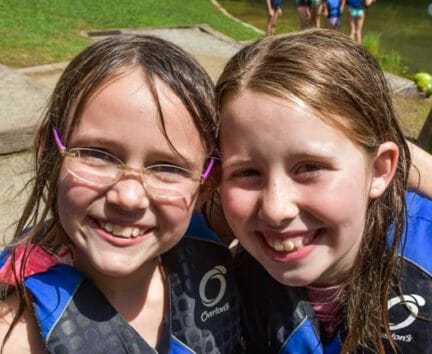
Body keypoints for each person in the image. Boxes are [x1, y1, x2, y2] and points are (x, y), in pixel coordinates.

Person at [0, 34, 242, 353]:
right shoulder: (16, 336)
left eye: (168, 168)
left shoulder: (210, 252)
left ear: (206, 185)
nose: (128, 197)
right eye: (97, 154)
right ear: (49, 150)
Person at [213, 29, 432, 353]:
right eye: (246, 172)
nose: (276, 208)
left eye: (309, 168)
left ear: (380, 169)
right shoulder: (225, 278)